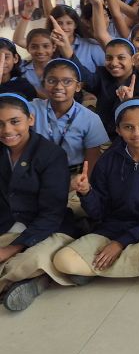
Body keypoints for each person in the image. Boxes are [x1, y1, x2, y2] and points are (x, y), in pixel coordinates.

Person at [52, 100, 139, 283]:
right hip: (111, 228)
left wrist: (120, 243)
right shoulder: (108, 161)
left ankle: (96, 268)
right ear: (118, 130)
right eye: (128, 127)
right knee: (63, 261)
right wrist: (87, 192)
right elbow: (99, 212)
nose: (137, 133)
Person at [0, 93, 76, 312]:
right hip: (7, 224)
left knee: (30, 260)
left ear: (30, 120)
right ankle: (23, 282)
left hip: (46, 228)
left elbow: (52, 213)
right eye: (0, 124)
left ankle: (35, 280)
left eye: (15, 121)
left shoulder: (51, 154)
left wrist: (12, 248)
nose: (7, 131)